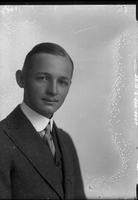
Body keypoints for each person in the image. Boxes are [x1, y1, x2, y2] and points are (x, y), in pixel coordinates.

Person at [0, 43, 86, 199]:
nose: (53, 90)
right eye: (43, 78)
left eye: (62, 82)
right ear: (21, 79)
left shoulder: (65, 141)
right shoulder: (2, 139)